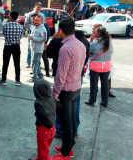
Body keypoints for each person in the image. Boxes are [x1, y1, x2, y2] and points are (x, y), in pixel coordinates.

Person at [51, 19, 85, 160]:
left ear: (60, 31)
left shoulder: (65, 49)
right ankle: (67, 146)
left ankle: (65, 154)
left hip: (66, 90)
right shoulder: (80, 44)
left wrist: (55, 93)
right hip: (76, 86)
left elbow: (61, 75)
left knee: (66, 121)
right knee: (70, 119)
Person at [85, 26, 114, 107]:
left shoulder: (95, 43)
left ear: (99, 33)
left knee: (94, 84)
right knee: (105, 84)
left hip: (95, 66)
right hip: (106, 66)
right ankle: (105, 102)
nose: (94, 33)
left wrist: (90, 41)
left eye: (96, 32)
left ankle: (92, 101)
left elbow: (88, 51)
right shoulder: (110, 43)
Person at [31, 80, 56, 160]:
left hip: (44, 129)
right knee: (44, 148)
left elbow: (41, 114)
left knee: (44, 152)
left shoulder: (38, 102)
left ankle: (42, 158)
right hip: (52, 128)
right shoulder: (52, 98)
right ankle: (40, 158)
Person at [0, 11, 24, 86]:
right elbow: (21, 37)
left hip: (7, 46)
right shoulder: (20, 26)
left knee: (5, 63)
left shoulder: (5, 25)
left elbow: (4, 34)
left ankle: (3, 80)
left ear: (10, 16)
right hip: (16, 46)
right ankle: (17, 80)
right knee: (17, 64)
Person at [28, 16, 46, 83]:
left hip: (38, 49)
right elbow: (31, 37)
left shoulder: (43, 29)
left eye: (38, 20)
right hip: (33, 48)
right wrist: (30, 45)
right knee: (36, 63)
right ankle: (40, 75)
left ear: (41, 21)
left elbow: (44, 39)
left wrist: (34, 39)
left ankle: (34, 78)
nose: (36, 22)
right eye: (36, 20)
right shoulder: (33, 27)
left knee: (34, 63)